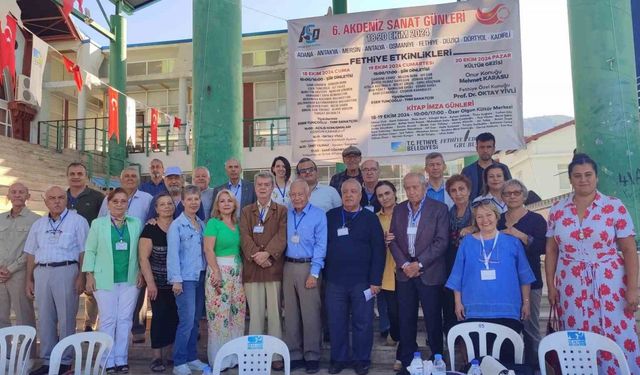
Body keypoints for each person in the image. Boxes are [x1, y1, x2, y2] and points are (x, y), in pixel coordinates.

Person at [545, 153, 640, 373]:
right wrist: (551, 285)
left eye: (588, 175)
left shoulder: (614, 206)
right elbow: (551, 250)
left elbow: (628, 249)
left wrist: (633, 289)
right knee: (577, 335)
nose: (583, 180)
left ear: (596, 177)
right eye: (577, 175)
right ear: (570, 179)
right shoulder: (557, 210)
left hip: (610, 283)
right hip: (570, 285)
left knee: (616, 332)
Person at [446, 201, 535, 363]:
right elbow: (457, 275)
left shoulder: (512, 242)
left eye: (488, 215)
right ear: (475, 220)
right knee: (479, 362)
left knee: (506, 362)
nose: (484, 220)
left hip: (507, 311)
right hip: (475, 311)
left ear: (496, 216)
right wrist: (457, 303)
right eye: (479, 216)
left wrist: (526, 302)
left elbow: (524, 276)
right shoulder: (466, 243)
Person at [25, 186, 89, 375]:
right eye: (52, 198)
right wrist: (29, 279)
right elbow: (30, 253)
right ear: (46, 201)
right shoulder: (38, 224)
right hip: (42, 272)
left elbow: (84, 251)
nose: (56, 201)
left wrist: (82, 276)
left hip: (67, 271)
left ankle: (65, 361)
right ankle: (47, 360)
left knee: (67, 317)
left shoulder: (78, 221)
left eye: (61, 197)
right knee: (45, 318)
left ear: (66, 199)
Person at [389, 173, 449, 373]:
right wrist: (405, 264)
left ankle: (436, 359)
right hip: (405, 272)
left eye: (415, 187)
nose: (412, 191)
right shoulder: (398, 210)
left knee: (433, 318)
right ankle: (408, 360)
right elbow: (393, 240)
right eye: (407, 188)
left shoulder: (439, 209)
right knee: (406, 318)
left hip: (429, 272)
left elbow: (441, 242)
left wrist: (419, 264)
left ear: (424, 187)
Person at [325, 179, 385, 375]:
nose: (349, 195)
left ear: (361, 195)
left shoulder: (370, 218)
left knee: (363, 322)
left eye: (353, 191)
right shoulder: (331, 216)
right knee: (336, 321)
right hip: (334, 280)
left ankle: (361, 359)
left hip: (363, 281)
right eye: (345, 192)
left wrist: (376, 281)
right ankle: (338, 359)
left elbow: (379, 251)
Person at [83, 188, 143, 373]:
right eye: (115, 201)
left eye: (123, 201)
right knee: (108, 319)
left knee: (124, 319)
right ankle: (107, 360)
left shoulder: (135, 223)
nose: (119, 204)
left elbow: (140, 250)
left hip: (130, 279)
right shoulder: (98, 224)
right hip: (103, 278)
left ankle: (121, 358)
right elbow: (90, 250)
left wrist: (141, 271)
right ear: (108, 204)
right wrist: (89, 274)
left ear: (127, 204)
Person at [99, 166, 153, 343]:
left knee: (137, 291)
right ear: (121, 179)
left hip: (138, 254)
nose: (130, 178)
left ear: (139, 179)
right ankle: (112, 335)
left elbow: (152, 221)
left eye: (133, 176)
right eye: (126, 176)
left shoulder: (147, 199)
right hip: (112, 257)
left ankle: (136, 327)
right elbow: (101, 224)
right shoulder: (109, 199)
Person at [239, 172, 287, 371]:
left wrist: (267, 254)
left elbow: (282, 236)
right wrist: (257, 256)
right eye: (259, 184)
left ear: (272, 188)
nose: (263, 187)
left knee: (275, 314)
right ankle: (255, 354)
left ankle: (276, 355)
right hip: (253, 270)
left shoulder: (282, 210)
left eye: (267, 184)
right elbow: (244, 236)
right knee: (256, 316)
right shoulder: (246, 211)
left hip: (273, 268)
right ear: (255, 187)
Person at [497, 179, 546, 369]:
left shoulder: (536, 220)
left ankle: (535, 367)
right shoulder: (498, 220)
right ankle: (512, 367)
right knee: (507, 327)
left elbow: (542, 247)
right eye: (507, 193)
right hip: (504, 283)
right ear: (502, 197)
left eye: (516, 193)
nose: (512, 196)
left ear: (524, 196)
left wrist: (523, 236)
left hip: (530, 280)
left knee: (531, 328)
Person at [283, 179, 327, 374]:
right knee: (290, 314)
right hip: (288, 266)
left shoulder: (318, 215)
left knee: (310, 314)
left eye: (300, 194)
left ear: (308, 195)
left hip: (309, 266)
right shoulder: (286, 214)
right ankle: (294, 354)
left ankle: (312, 355)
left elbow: (320, 245)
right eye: (293, 194)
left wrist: (314, 273)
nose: (296, 198)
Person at [167, 185, 208, 375]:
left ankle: (192, 357)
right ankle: (179, 361)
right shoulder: (176, 225)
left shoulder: (201, 223)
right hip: (185, 279)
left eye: (196, 199)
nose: (193, 202)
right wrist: (176, 279)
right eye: (189, 199)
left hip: (200, 276)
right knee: (186, 320)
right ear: (182, 202)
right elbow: (173, 255)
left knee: (195, 320)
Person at [203, 189, 247, 370]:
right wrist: (216, 272)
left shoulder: (238, 225)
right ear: (217, 205)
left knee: (237, 316)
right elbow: (208, 250)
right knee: (219, 317)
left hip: (237, 274)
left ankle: (234, 358)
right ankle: (219, 360)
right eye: (222, 201)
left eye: (229, 200)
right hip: (219, 272)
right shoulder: (213, 223)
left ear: (234, 204)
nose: (226, 204)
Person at [139, 192, 179, 373]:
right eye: (162, 204)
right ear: (156, 208)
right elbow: (143, 258)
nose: (167, 207)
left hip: (178, 284)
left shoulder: (179, 225)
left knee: (174, 319)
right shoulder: (150, 229)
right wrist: (151, 283)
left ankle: (169, 355)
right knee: (158, 319)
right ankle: (157, 357)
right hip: (158, 284)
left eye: (170, 203)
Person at [66, 162, 104, 332]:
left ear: (86, 176)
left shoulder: (97, 197)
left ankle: (89, 323)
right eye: (72, 173)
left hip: (90, 249)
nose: (75, 177)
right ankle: (68, 324)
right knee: (69, 289)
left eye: (79, 173)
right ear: (67, 176)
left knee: (91, 290)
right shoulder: (61, 196)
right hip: (67, 251)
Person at [0, 183, 38, 336]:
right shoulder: (1, 218)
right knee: (1, 316)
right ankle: (5, 354)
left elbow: (33, 250)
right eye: (13, 192)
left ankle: (27, 356)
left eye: (21, 192)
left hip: (20, 274)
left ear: (28, 196)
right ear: (8, 196)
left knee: (24, 315)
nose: (17, 195)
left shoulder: (36, 220)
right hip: (0, 274)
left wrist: (11, 268)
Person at [374, 180, 402, 371]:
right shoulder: (374, 218)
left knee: (404, 312)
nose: (384, 198)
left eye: (387, 193)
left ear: (394, 193)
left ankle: (403, 352)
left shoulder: (406, 213)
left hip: (405, 271)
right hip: (385, 271)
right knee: (391, 310)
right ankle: (395, 335)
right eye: (380, 195)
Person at [443, 174, 475, 334]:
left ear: (469, 191)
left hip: (473, 266)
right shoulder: (448, 213)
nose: (458, 193)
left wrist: (474, 229)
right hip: (451, 264)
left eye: (461, 189)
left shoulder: (478, 211)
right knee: (451, 307)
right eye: (453, 191)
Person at [461, 132, 512, 200]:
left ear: (494, 149)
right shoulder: (467, 171)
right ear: (477, 149)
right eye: (482, 147)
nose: (485, 150)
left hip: (500, 209)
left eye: (488, 147)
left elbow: (510, 190)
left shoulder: (503, 169)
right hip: (474, 209)